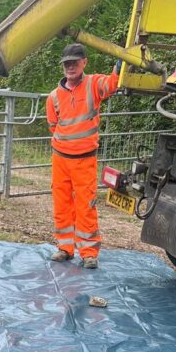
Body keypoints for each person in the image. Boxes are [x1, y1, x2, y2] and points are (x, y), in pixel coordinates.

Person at [46, 42, 120, 269]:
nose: (71, 67)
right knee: (62, 202)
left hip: (85, 159)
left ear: (84, 63)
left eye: (74, 63)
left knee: (86, 205)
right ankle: (65, 248)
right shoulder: (54, 97)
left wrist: (122, 62)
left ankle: (88, 253)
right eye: (67, 64)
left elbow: (113, 84)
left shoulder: (94, 84)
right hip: (61, 158)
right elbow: (52, 125)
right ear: (63, 66)